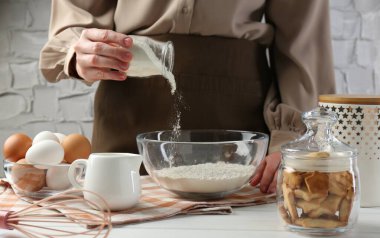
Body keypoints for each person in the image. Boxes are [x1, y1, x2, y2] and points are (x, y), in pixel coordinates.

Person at [39, 0, 335, 193]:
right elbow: (76, 13)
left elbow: (303, 42)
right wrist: (80, 50)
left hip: (242, 129)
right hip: (127, 113)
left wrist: (297, 141)